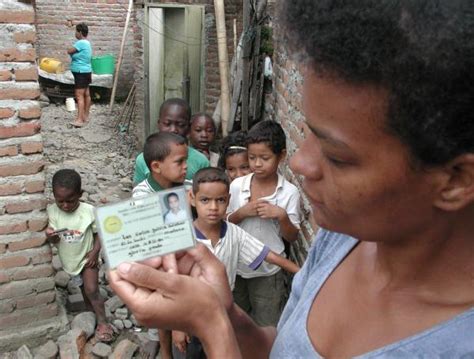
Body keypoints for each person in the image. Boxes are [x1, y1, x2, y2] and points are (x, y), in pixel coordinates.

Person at [108, 1, 474, 357]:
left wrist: (211, 325)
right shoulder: (342, 239)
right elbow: (282, 348)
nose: (300, 163)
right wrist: (226, 312)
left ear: (456, 179)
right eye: (309, 133)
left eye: (337, 155)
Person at [170, 167, 299, 358]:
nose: (213, 207)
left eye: (220, 200)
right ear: (191, 198)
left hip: (221, 314)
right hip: (189, 314)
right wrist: (176, 327)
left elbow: (265, 254)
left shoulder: (233, 233)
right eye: (205, 200)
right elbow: (172, 284)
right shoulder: (181, 237)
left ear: (228, 200)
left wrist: (300, 271)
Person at [227, 120, 301, 326]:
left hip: (269, 272)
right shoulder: (237, 185)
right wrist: (241, 213)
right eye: (252, 157)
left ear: (282, 156)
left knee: (267, 324)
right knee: (238, 322)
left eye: (265, 158)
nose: (257, 164)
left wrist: (282, 216)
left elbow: (292, 236)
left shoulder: (288, 193)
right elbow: (224, 222)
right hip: (237, 267)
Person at [132, 131, 188, 359]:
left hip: (180, 255)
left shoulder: (186, 186)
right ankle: (166, 352)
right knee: (164, 309)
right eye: (180, 162)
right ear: (156, 166)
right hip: (157, 257)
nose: (186, 166)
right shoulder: (143, 195)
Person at [46, 169, 113, 343]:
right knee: (83, 290)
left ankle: (103, 322)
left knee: (92, 289)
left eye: (71, 200)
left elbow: (99, 234)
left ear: (80, 194)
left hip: (87, 259)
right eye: (60, 201)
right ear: (53, 196)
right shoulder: (52, 211)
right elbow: (53, 238)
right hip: (69, 262)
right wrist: (51, 236)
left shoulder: (88, 211)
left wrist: (94, 252)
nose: (66, 206)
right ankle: (90, 315)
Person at [133, 98, 209, 186]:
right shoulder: (142, 159)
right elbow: (138, 193)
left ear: (188, 127)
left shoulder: (201, 161)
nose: (173, 130)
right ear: (159, 124)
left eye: (180, 125)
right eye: (167, 124)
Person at [67, 23, 92, 128]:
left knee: (79, 95)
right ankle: (85, 116)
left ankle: (79, 120)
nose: (75, 33)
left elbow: (69, 50)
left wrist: (73, 54)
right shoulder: (87, 43)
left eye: (76, 31)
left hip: (81, 72)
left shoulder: (81, 42)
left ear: (80, 32)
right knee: (86, 94)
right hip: (86, 71)